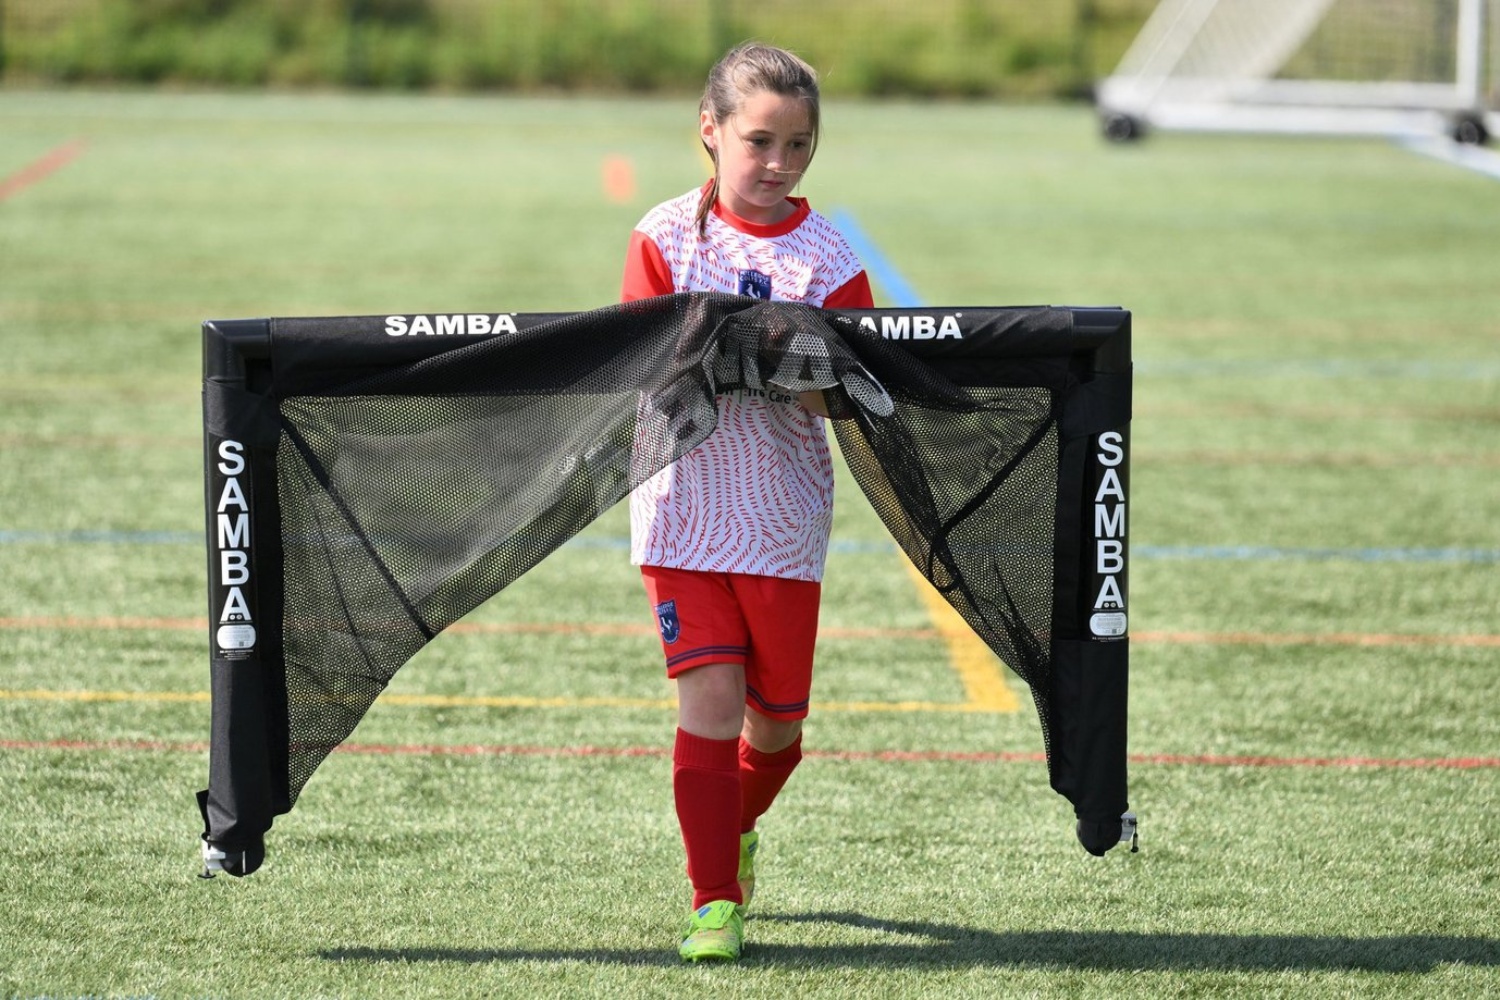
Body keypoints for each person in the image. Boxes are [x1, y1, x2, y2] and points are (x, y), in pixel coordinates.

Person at [619, 41, 874, 963]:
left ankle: (734, 827)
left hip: (780, 519)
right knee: (711, 704)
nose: (778, 162)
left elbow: (848, 394)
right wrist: (715, 354)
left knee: (778, 731)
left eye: (798, 144)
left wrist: (793, 371)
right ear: (711, 130)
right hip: (681, 510)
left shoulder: (829, 255)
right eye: (760, 140)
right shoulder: (664, 235)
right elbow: (647, 369)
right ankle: (713, 902)